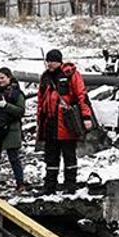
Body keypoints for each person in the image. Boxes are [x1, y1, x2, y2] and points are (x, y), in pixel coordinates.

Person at [36, 48, 92, 194]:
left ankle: (70, 185)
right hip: (50, 122)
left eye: (53, 61)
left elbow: (82, 96)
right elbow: (41, 100)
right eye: (48, 61)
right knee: (51, 156)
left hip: (67, 122)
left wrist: (86, 117)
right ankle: (49, 186)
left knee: (69, 155)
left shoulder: (70, 74)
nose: (50, 64)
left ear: (59, 61)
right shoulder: (45, 77)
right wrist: (40, 121)